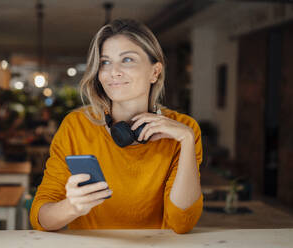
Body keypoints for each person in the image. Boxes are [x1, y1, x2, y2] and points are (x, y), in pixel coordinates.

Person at [30, 19, 203, 234]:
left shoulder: (184, 128)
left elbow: (182, 222)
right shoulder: (76, 126)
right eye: (105, 62)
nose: (114, 71)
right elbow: (40, 217)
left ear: (155, 71)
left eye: (127, 59)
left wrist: (186, 140)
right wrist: (71, 207)